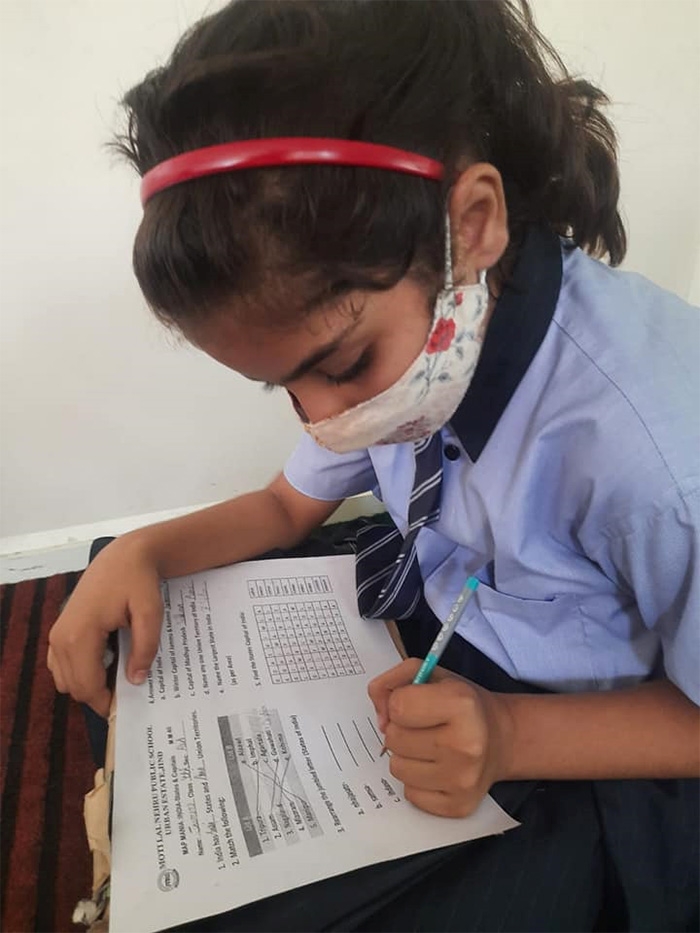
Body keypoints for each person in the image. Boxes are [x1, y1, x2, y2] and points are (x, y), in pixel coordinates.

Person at [48, 1, 699, 929]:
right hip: (438, 621)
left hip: (586, 729)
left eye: (343, 364)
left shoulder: (653, 454)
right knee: (133, 631)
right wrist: (139, 552)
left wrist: (509, 734)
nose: (322, 421)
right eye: (281, 386)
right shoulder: (421, 346)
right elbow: (286, 505)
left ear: (473, 224)